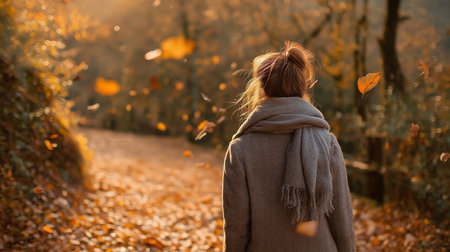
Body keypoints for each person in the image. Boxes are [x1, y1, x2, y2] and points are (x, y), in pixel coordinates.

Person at [222, 41, 356, 252]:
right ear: (301, 86)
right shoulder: (326, 142)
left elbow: (236, 225)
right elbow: (342, 218)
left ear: (261, 87)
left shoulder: (240, 149)